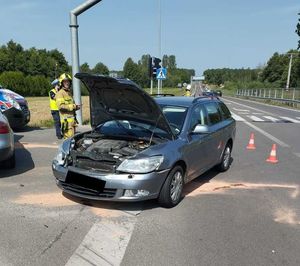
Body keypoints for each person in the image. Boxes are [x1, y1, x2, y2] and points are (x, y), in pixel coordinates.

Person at [55, 73, 80, 139]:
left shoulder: (69, 93)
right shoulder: (60, 93)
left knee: (72, 142)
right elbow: (61, 107)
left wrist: (76, 107)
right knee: (68, 142)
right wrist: (74, 106)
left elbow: (70, 106)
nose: (67, 83)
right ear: (61, 83)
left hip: (72, 123)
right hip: (66, 124)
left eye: (68, 81)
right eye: (65, 81)